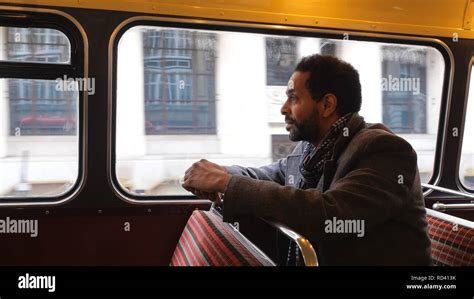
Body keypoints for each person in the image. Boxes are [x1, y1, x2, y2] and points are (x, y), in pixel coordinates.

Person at [182, 54, 431, 266]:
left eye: (294, 98)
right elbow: (269, 176)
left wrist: (227, 183)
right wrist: (219, 174)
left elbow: (330, 214)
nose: (283, 108)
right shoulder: (312, 151)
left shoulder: (385, 150)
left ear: (327, 105)